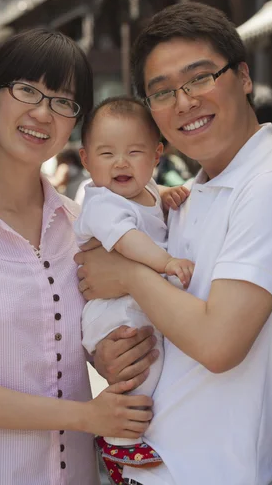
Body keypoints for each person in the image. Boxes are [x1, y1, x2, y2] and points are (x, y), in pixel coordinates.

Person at [75, 2, 272, 485]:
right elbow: (159, 319)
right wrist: (109, 353)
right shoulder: (192, 193)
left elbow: (217, 342)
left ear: (244, 76)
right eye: (161, 92)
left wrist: (127, 274)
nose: (184, 102)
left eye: (200, 78)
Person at [0, 28, 153, 485]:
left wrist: (112, 353)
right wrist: (86, 416)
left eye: (63, 101)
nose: (43, 112)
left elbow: (90, 334)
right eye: (27, 90)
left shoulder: (80, 225)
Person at [74, 96, 191, 474]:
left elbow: (151, 209)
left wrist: (167, 197)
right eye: (106, 154)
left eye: (134, 152)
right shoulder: (103, 203)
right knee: (142, 368)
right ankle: (120, 441)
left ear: (157, 155)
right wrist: (167, 262)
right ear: (86, 160)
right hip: (113, 311)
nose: (121, 163)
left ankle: (132, 434)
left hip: (134, 300)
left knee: (152, 363)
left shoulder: (149, 190)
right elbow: (128, 241)